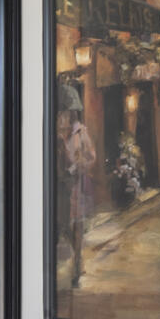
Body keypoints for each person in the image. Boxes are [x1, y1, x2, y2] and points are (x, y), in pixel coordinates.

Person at [57, 96, 99, 291]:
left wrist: (81, 164)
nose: (62, 116)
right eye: (60, 113)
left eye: (65, 113)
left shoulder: (81, 132)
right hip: (60, 187)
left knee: (77, 225)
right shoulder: (55, 133)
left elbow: (91, 157)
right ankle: (76, 258)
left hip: (77, 186)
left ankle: (77, 264)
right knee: (64, 225)